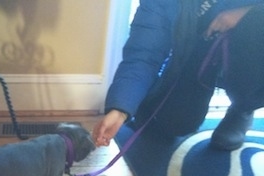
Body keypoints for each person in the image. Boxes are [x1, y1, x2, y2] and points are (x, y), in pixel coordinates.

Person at [93, 0, 264, 151]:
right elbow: (144, 54)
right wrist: (120, 109)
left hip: (253, 48)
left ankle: (243, 107)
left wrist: (248, 15)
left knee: (255, 26)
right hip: (200, 54)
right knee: (176, 122)